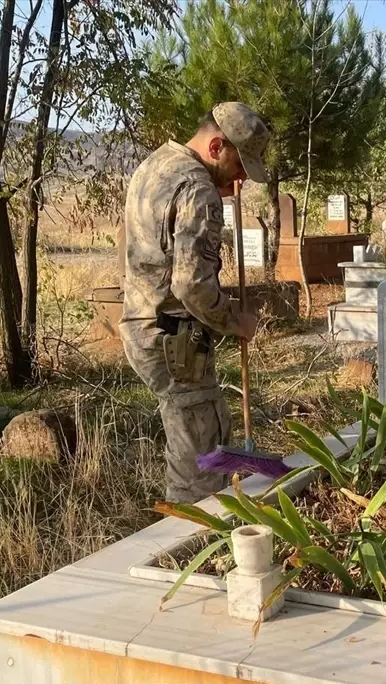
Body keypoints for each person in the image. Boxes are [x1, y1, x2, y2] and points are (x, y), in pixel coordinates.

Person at [120, 103, 268, 504]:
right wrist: (235, 320)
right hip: (174, 341)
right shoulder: (199, 190)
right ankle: (194, 536)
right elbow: (192, 285)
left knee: (200, 433)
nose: (241, 178)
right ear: (216, 146)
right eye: (240, 165)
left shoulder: (155, 166)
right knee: (200, 465)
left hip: (144, 325)